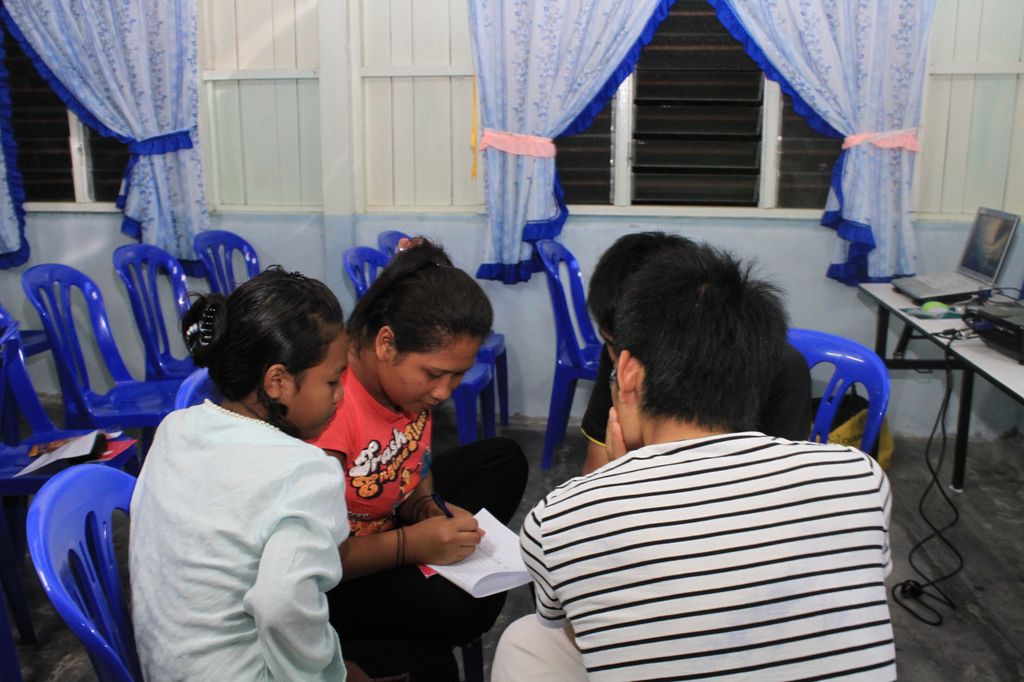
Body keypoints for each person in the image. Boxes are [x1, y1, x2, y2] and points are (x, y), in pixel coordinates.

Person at [492, 245, 895, 681]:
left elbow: (582, 629)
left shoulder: (561, 519)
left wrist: (618, 481)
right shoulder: (860, 477)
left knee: (526, 639)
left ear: (627, 373)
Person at [130, 268, 373, 680]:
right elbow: (281, 607)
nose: (340, 396)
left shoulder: (174, 427)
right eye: (333, 381)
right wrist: (332, 674)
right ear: (277, 381)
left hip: (165, 666)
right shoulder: (307, 471)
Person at [314, 239, 528, 680]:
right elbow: (316, 558)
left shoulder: (407, 387)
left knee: (503, 459)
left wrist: (426, 506)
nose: (443, 392)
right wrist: (412, 544)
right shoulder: (330, 407)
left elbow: (414, 463)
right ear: (386, 344)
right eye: (434, 374)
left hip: (388, 517)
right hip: (337, 573)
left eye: (458, 375)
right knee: (465, 610)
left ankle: (429, 581)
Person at [580, 231, 812, 474]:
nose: (621, 366)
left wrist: (632, 473)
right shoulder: (622, 359)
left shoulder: (782, 372)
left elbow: (775, 485)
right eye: (611, 345)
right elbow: (595, 469)